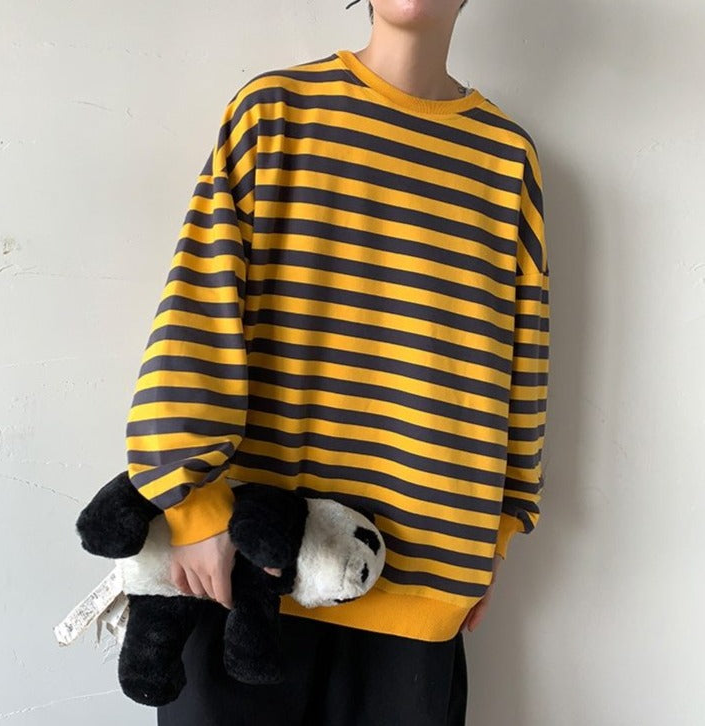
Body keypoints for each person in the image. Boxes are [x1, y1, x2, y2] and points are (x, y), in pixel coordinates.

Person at [124, 1, 550, 724]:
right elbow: (196, 313)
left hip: (420, 585)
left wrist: (500, 533)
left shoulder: (506, 158)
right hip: (241, 575)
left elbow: (525, 356)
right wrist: (191, 508)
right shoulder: (274, 112)